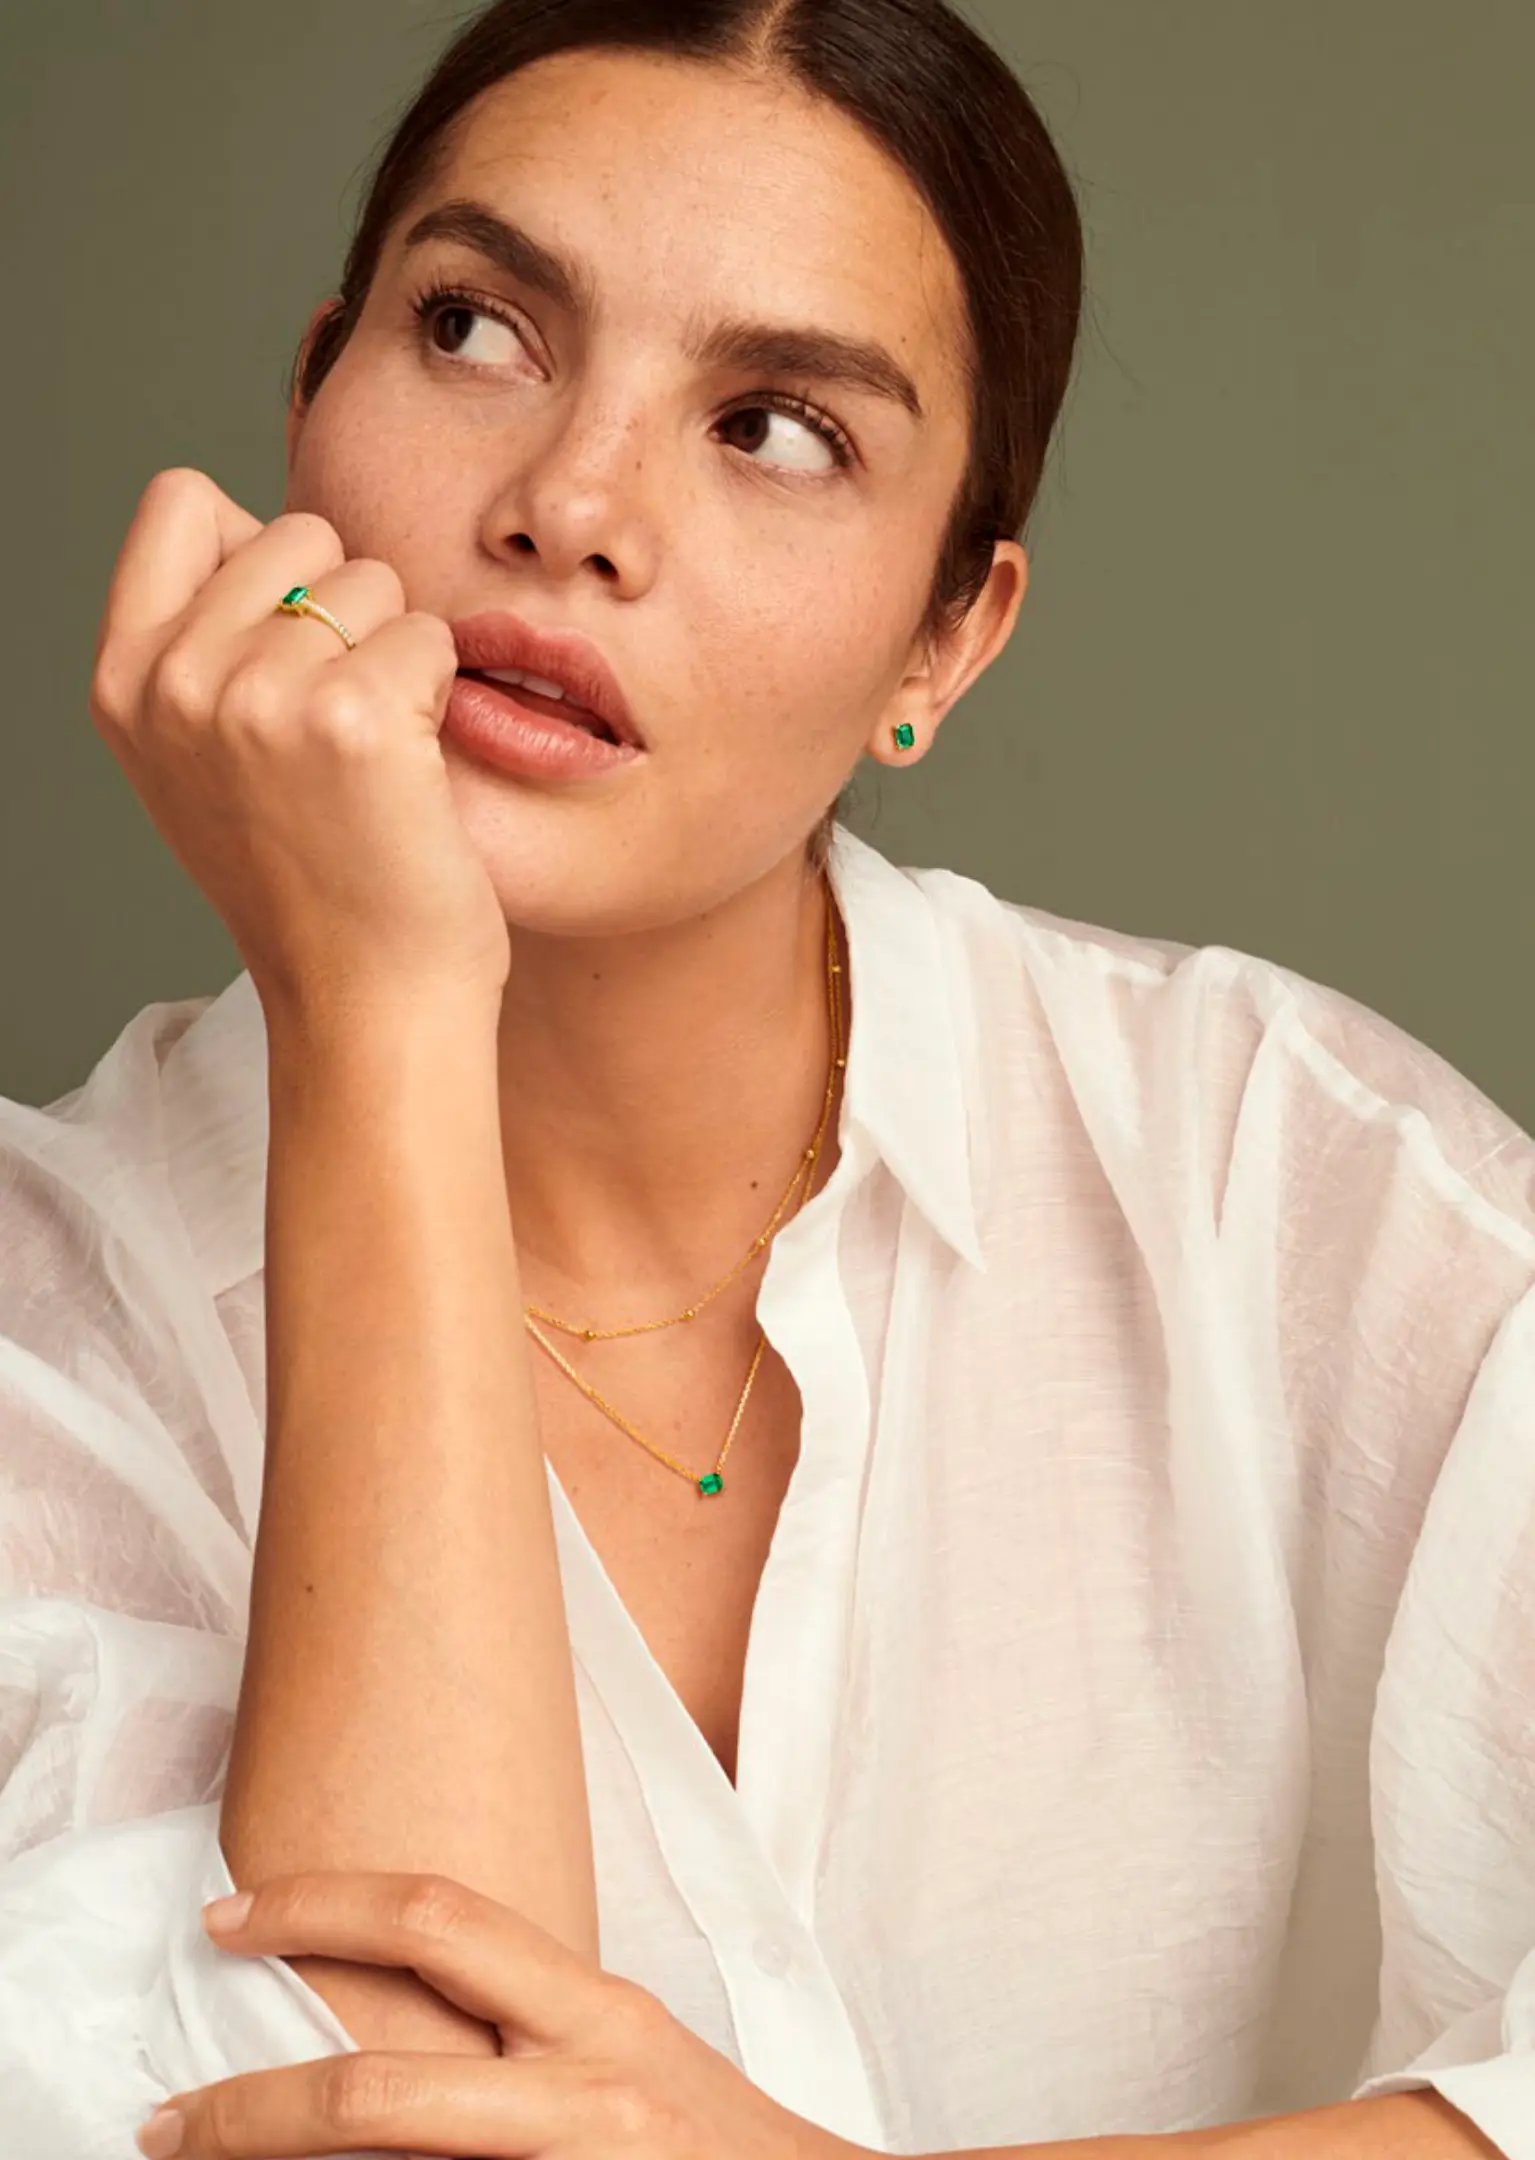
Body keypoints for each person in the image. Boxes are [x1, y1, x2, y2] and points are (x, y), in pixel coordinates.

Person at [0, 1, 1531, 2155]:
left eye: (778, 430)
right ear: (309, 398)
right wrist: (378, 1022)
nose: (570, 506)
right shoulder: (46, 1338)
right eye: (474, 330)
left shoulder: (1277, 1183)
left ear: (943, 639)